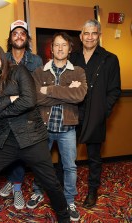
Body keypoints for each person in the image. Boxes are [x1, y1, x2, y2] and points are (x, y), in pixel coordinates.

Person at [0, 43, 70, 223]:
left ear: (3, 59)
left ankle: (63, 216)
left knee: (51, 182)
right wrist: (9, 99)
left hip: (31, 136)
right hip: (4, 138)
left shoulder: (19, 72)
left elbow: (29, 101)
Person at [29, 32, 87, 221]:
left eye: (64, 45)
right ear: (51, 48)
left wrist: (51, 90)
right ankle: (37, 191)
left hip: (67, 129)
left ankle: (69, 200)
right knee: (40, 164)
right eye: (56, 45)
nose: (60, 48)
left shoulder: (78, 71)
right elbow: (37, 98)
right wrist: (67, 91)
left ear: (70, 49)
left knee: (70, 167)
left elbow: (79, 96)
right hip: (43, 127)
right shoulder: (40, 72)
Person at [69, 19, 121, 208]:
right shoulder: (72, 58)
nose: (90, 37)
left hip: (95, 115)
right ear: (81, 36)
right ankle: (67, 188)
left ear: (99, 36)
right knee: (68, 154)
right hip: (72, 113)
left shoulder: (110, 59)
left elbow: (115, 90)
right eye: (86, 33)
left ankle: (92, 190)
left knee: (93, 156)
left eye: (94, 33)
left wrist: (103, 111)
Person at [0, 19, 43, 210]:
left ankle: (15, 186)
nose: (19, 36)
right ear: (10, 38)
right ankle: (14, 182)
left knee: (22, 151)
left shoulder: (36, 60)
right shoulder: (2, 58)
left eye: (22, 33)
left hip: (27, 113)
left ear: (27, 37)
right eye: (15, 33)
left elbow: (38, 88)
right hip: (6, 112)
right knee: (10, 151)